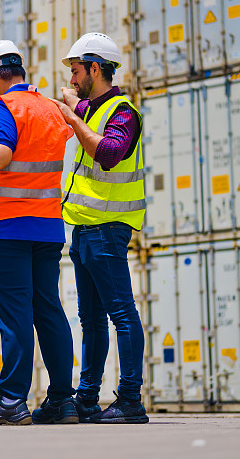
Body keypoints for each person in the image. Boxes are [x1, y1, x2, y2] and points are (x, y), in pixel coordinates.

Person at [0, 40, 77, 425]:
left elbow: (1, 156)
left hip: (10, 228)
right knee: (48, 311)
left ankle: (11, 399)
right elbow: (61, 137)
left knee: (15, 315)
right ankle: (62, 400)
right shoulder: (48, 108)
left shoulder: (3, 107)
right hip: (48, 227)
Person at [52, 32, 149, 424]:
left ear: (96, 68)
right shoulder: (93, 108)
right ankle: (87, 397)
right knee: (90, 320)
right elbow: (81, 104)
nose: (73, 80)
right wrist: (75, 106)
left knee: (121, 315)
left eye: (76, 71)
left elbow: (109, 154)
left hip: (108, 229)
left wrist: (73, 116)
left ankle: (130, 400)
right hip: (84, 230)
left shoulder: (124, 112)